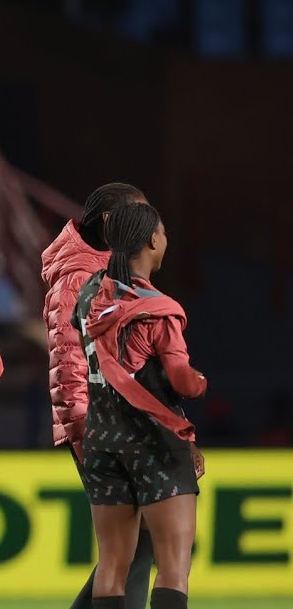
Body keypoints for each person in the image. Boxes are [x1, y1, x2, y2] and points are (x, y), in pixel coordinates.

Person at [74, 203, 206, 609]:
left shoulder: (89, 295)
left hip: (101, 439)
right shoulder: (159, 309)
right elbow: (182, 382)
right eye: (163, 234)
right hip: (155, 444)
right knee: (173, 567)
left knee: (112, 565)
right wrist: (200, 382)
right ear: (152, 240)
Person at [41, 182, 154, 609]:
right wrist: (88, 434)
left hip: (116, 422)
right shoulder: (79, 277)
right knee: (133, 545)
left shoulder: (105, 268)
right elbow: (69, 359)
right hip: (100, 426)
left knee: (133, 544)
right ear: (109, 221)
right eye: (137, 217)